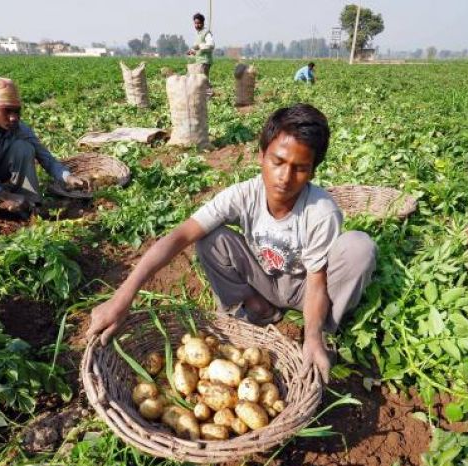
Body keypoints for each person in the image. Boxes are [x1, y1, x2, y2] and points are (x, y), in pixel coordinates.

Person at [86, 104, 377, 382]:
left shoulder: (321, 211)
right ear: (261, 155)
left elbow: (316, 282)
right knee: (210, 237)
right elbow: (179, 236)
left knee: (359, 248)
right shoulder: (243, 195)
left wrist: (311, 335)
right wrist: (123, 296)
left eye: (300, 168)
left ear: (313, 171)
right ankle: (257, 309)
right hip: (264, 282)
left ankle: (321, 334)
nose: (285, 177)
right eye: (277, 162)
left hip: (306, 288)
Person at [0, 73, 84, 219]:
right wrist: (5, 195)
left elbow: (45, 157)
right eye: (7, 110)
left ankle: (30, 204)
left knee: (24, 148)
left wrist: (68, 177)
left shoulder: (18, 127)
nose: (14, 117)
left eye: (17, 111)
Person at [187, 12, 215, 83]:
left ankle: (208, 90)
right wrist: (192, 52)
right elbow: (197, 49)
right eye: (195, 23)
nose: (197, 25)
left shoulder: (206, 33)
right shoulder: (198, 34)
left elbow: (211, 45)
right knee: (200, 81)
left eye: (199, 23)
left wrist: (199, 46)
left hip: (205, 61)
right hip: (199, 61)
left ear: (203, 23)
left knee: (202, 81)